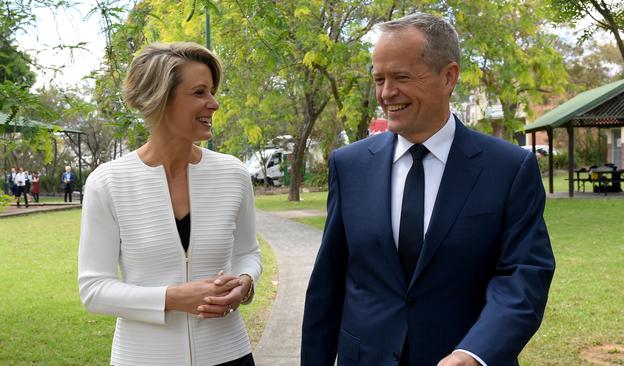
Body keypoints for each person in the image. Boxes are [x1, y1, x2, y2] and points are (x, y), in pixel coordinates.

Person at [301, 13, 555, 366]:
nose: (387, 93)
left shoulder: (510, 169)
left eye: (401, 77)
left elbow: (523, 275)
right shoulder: (349, 166)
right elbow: (327, 284)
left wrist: (475, 353)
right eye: (379, 79)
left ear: (448, 77)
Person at [78, 42, 262, 366]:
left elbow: (248, 253)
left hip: (230, 353)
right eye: (200, 92)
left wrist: (245, 284)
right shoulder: (108, 183)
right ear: (161, 98)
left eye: (212, 91)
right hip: (143, 358)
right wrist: (172, 298)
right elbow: (94, 289)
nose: (214, 103)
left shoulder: (233, 174)